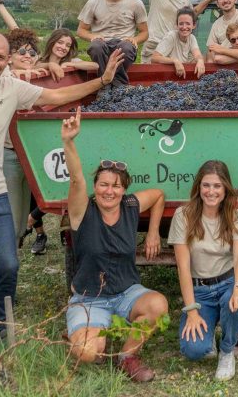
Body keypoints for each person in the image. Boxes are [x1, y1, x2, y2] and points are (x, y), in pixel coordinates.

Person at [0, 33, 124, 342]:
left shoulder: (12, 88)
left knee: (9, 263)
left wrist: (103, 80)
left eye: (0, 57)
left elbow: (57, 98)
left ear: (5, 60)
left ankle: (1, 325)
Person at [61, 107, 168, 383]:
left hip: (126, 293)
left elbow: (158, 195)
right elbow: (76, 179)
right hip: (89, 297)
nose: (109, 191)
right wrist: (69, 142)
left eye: (116, 186)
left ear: (124, 190)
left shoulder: (130, 205)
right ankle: (87, 335)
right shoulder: (83, 211)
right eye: (104, 185)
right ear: (95, 187)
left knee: (158, 304)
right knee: (87, 353)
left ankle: (127, 356)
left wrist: (153, 232)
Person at [0, 28, 48, 293]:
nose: (27, 55)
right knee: (11, 223)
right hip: (9, 157)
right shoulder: (3, 80)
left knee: (16, 222)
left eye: (32, 52)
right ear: (9, 57)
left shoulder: (39, 78)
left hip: (30, 159)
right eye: (21, 52)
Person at [169, 160, 238, 381]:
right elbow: (183, 268)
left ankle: (227, 349)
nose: (211, 191)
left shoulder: (234, 216)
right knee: (194, 350)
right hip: (200, 291)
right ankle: (210, 329)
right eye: (206, 185)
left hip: (227, 283)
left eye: (217, 186)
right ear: (198, 187)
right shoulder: (183, 215)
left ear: (225, 189)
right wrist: (192, 312)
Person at [77, 0, 148, 86]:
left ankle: (105, 88)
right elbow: (81, 30)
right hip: (102, 43)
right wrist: (92, 37)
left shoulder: (135, 3)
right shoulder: (94, 2)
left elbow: (144, 32)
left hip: (124, 43)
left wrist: (135, 40)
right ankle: (119, 87)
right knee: (96, 47)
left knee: (126, 47)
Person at [151, 7, 206, 78]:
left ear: (194, 25)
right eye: (181, 24)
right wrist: (175, 61)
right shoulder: (171, 36)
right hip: (166, 74)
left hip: (180, 74)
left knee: (204, 58)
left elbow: (197, 55)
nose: (184, 27)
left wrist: (200, 60)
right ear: (177, 25)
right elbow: (154, 58)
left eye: (188, 24)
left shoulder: (192, 38)